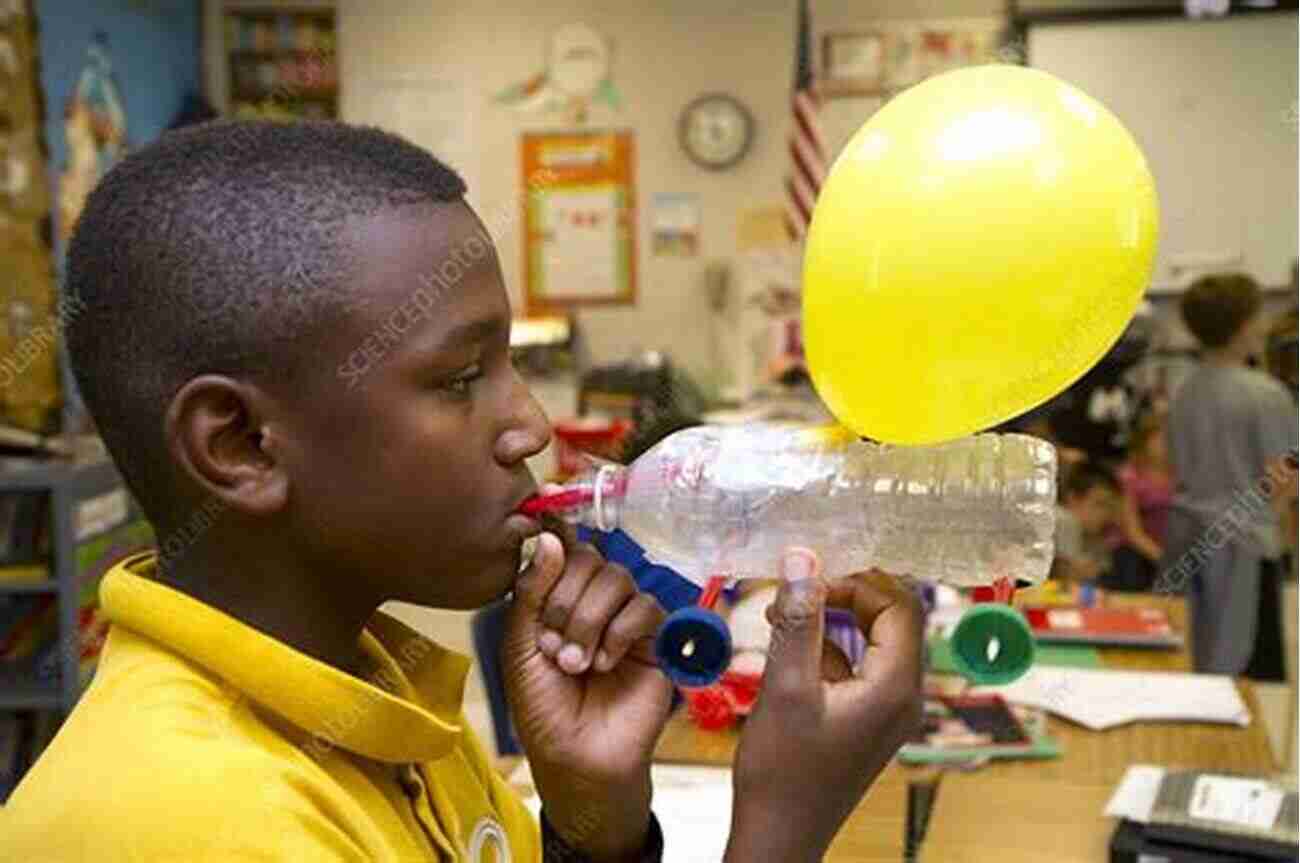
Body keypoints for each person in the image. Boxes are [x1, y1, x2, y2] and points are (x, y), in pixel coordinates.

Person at [0, 121, 924, 862]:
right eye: (457, 378)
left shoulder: (376, 697)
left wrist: (589, 827)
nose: (530, 428)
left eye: (509, 365)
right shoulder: (194, 823)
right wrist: (780, 831)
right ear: (240, 445)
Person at [1162, 274, 1299, 680]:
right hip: (1245, 543)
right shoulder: (1265, 394)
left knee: (1192, 658)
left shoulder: (1183, 391)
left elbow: (1177, 467)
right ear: (1243, 325)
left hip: (1187, 539)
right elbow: (1284, 475)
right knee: (1244, 674)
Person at [1106, 415, 1174, 592]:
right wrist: (1161, 557)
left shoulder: (1183, 474)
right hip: (1134, 550)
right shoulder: (1129, 476)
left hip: (1172, 548)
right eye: (1162, 437)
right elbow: (1132, 532)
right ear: (1145, 441)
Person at [1052, 463, 1120, 584]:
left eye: (1111, 507)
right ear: (1073, 498)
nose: (1106, 514)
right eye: (1100, 504)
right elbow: (1066, 585)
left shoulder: (1093, 536)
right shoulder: (1065, 520)